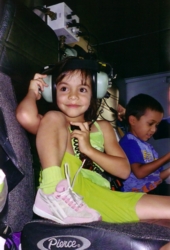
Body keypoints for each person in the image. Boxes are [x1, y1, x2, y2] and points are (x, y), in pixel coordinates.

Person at [16, 57, 170, 225]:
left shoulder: (102, 127)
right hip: (67, 193)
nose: (73, 96)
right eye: (64, 88)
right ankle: (51, 191)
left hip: (103, 196)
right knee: (54, 116)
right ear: (52, 92)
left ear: (94, 93)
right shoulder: (51, 123)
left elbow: (124, 171)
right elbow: (25, 116)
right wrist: (32, 91)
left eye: (82, 89)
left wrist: (89, 149)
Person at [119, 93, 170, 193]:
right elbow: (140, 173)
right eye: (150, 124)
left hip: (153, 189)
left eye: (156, 125)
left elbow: (156, 177)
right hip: (138, 194)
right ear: (133, 120)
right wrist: (168, 157)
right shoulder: (129, 142)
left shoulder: (147, 146)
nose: (154, 130)